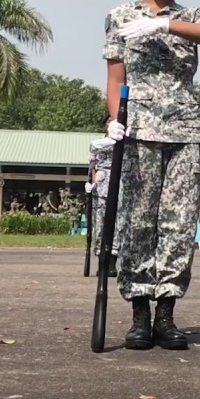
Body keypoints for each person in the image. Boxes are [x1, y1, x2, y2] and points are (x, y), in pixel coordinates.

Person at [103, 0, 200, 351]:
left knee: (176, 224)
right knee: (137, 221)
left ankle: (167, 314)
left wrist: (165, 27)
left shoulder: (191, 17)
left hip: (183, 131)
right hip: (137, 130)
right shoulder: (120, 17)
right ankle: (139, 313)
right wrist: (113, 119)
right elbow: (115, 75)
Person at [87, 114, 119, 277]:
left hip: (119, 187)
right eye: (108, 122)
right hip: (101, 189)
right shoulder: (98, 144)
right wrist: (91, 183)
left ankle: (112, 263)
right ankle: (102, 263)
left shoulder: (121, 143)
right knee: (100, 227)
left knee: (117, 227)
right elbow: (93, 166)